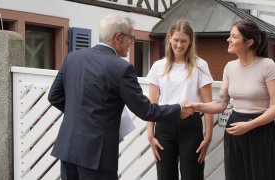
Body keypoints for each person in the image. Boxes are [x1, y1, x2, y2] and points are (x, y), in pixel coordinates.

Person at [48, 14, 193, 180]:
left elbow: (54, 96)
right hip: (97, 155)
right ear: (118, 37)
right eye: (131, 37)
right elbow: (145, 110)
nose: (132, 42)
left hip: (68, 149)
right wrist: (178, 109)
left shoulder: (73, 57)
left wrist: (83, 114)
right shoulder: (122, 68)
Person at [188, 19, 275, 180]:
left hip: (260, 130)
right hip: (235, 128)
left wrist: (250, 125)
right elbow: (221, 104)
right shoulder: (229, 67)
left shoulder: (267, 66)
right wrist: (197, 106)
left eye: (233, 36)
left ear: (249, 42)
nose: (228, 40)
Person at [145, 19, 213, 180]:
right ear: (169, 38)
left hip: (190, 126)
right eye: (176, 40)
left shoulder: (200, 66)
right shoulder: (158, 66)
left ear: (190, 41)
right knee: (165, 176)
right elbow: (152, 103)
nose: (179, 45)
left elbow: (208, 104)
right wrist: (150, 134)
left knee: (192, 175)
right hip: (164, 126)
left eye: (184, 41)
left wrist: (208, 135)